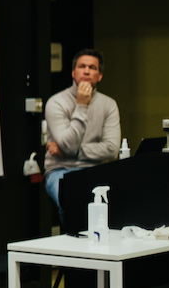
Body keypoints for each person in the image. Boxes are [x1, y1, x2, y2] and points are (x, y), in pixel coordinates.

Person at [43, 49, 121, 227]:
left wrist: (71, 151)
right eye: (82, 66)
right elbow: (69, 144)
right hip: (60, 170)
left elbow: (111, 148)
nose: (86, 71)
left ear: (99, 76)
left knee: (119, 200)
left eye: (92, 68)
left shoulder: (108, 104)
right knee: (71, 201)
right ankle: (74, 247)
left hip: (95, 169)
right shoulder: (56, 102)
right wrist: (82, 105)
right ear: (73, 72)